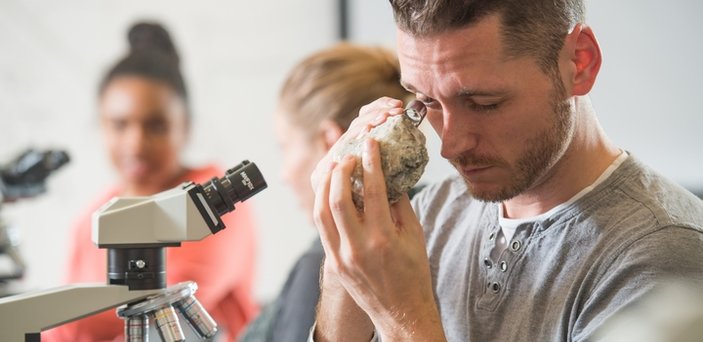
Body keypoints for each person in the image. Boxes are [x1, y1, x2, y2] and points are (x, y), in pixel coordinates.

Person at [309, 1, 703, 341]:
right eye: (427, 101)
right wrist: (343, 261)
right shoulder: (435, 210)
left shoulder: (663, 258)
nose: (450, 145)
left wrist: (403, 317)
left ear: (579, 63)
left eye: (483, 102)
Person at [43, 22, 259, 342]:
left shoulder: (211, 204)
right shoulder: (93, 218)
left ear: (184, 127)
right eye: (119, 124)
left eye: (155, 126)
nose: (135, 144)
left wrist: (54, 320)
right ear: (100, 126)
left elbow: (153, 305)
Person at [239, 43, 411, 342]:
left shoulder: (323, 265)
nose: (283, 175)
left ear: (331, 142)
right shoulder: (421, 226)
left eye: (285, 146)